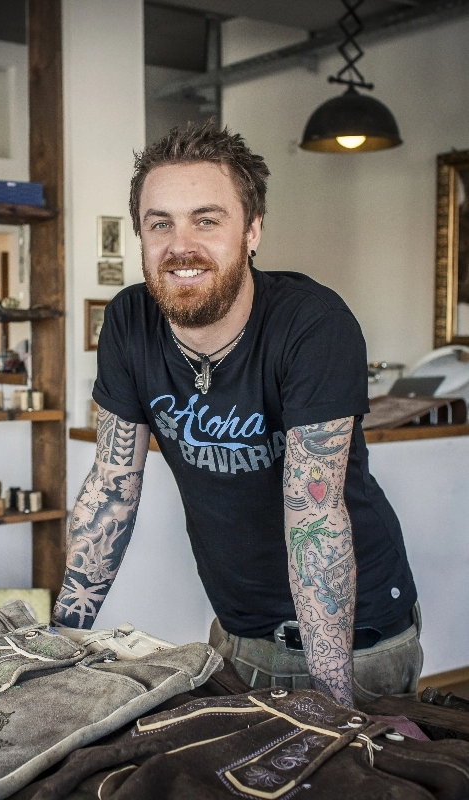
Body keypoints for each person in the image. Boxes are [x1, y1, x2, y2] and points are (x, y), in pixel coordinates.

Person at [52, 121, 422, 708]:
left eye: (207, 219)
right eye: (160, 223)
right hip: (235, 635)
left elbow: (314, 514)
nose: (180, 245)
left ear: (251, 231)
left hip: (356, 642)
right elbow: (112, 487)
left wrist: (334, 706)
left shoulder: (312, 325)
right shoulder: (128, 322)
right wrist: (61, 639)